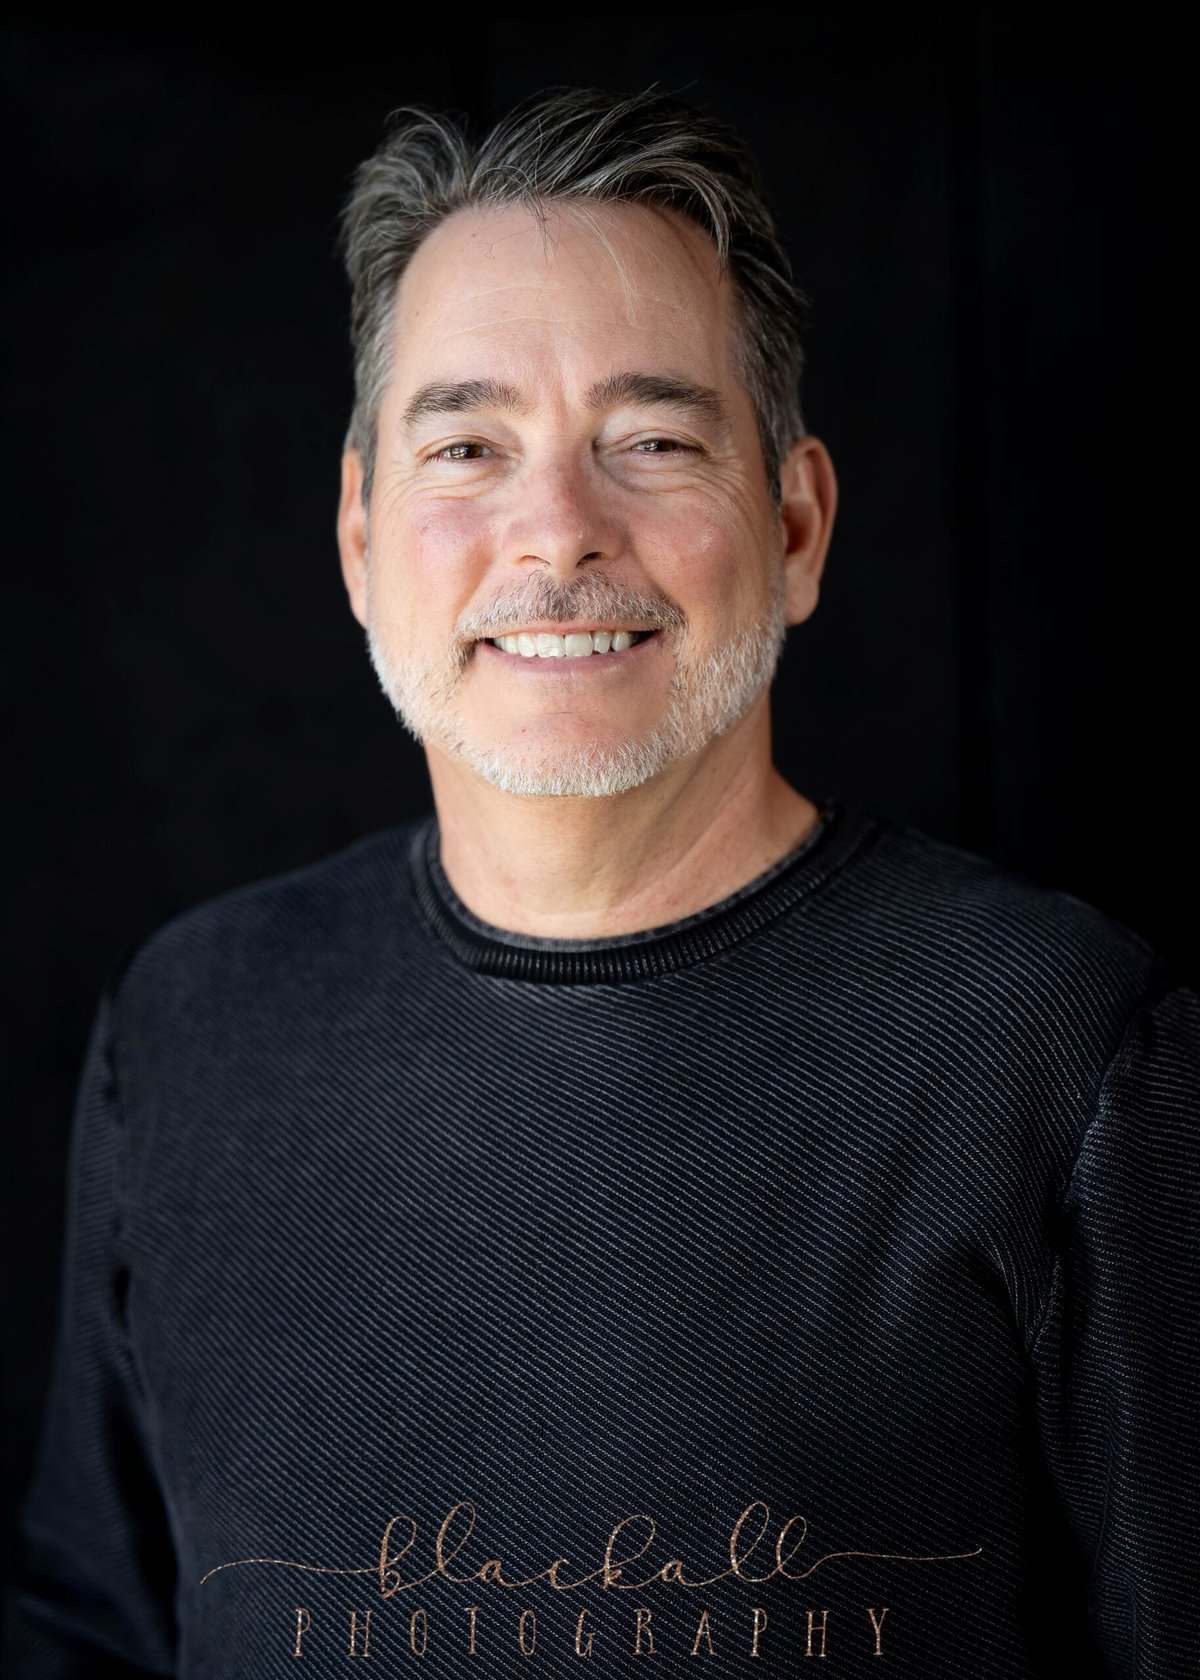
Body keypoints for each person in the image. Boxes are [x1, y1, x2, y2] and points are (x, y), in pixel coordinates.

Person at [4, 84, 1196, 1679]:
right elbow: (88, 1631)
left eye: (651, 442)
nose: (556, 533)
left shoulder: (1063, 1052)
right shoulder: (190, 1030)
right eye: (467, 447)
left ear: (795, 525)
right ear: (359, 537)